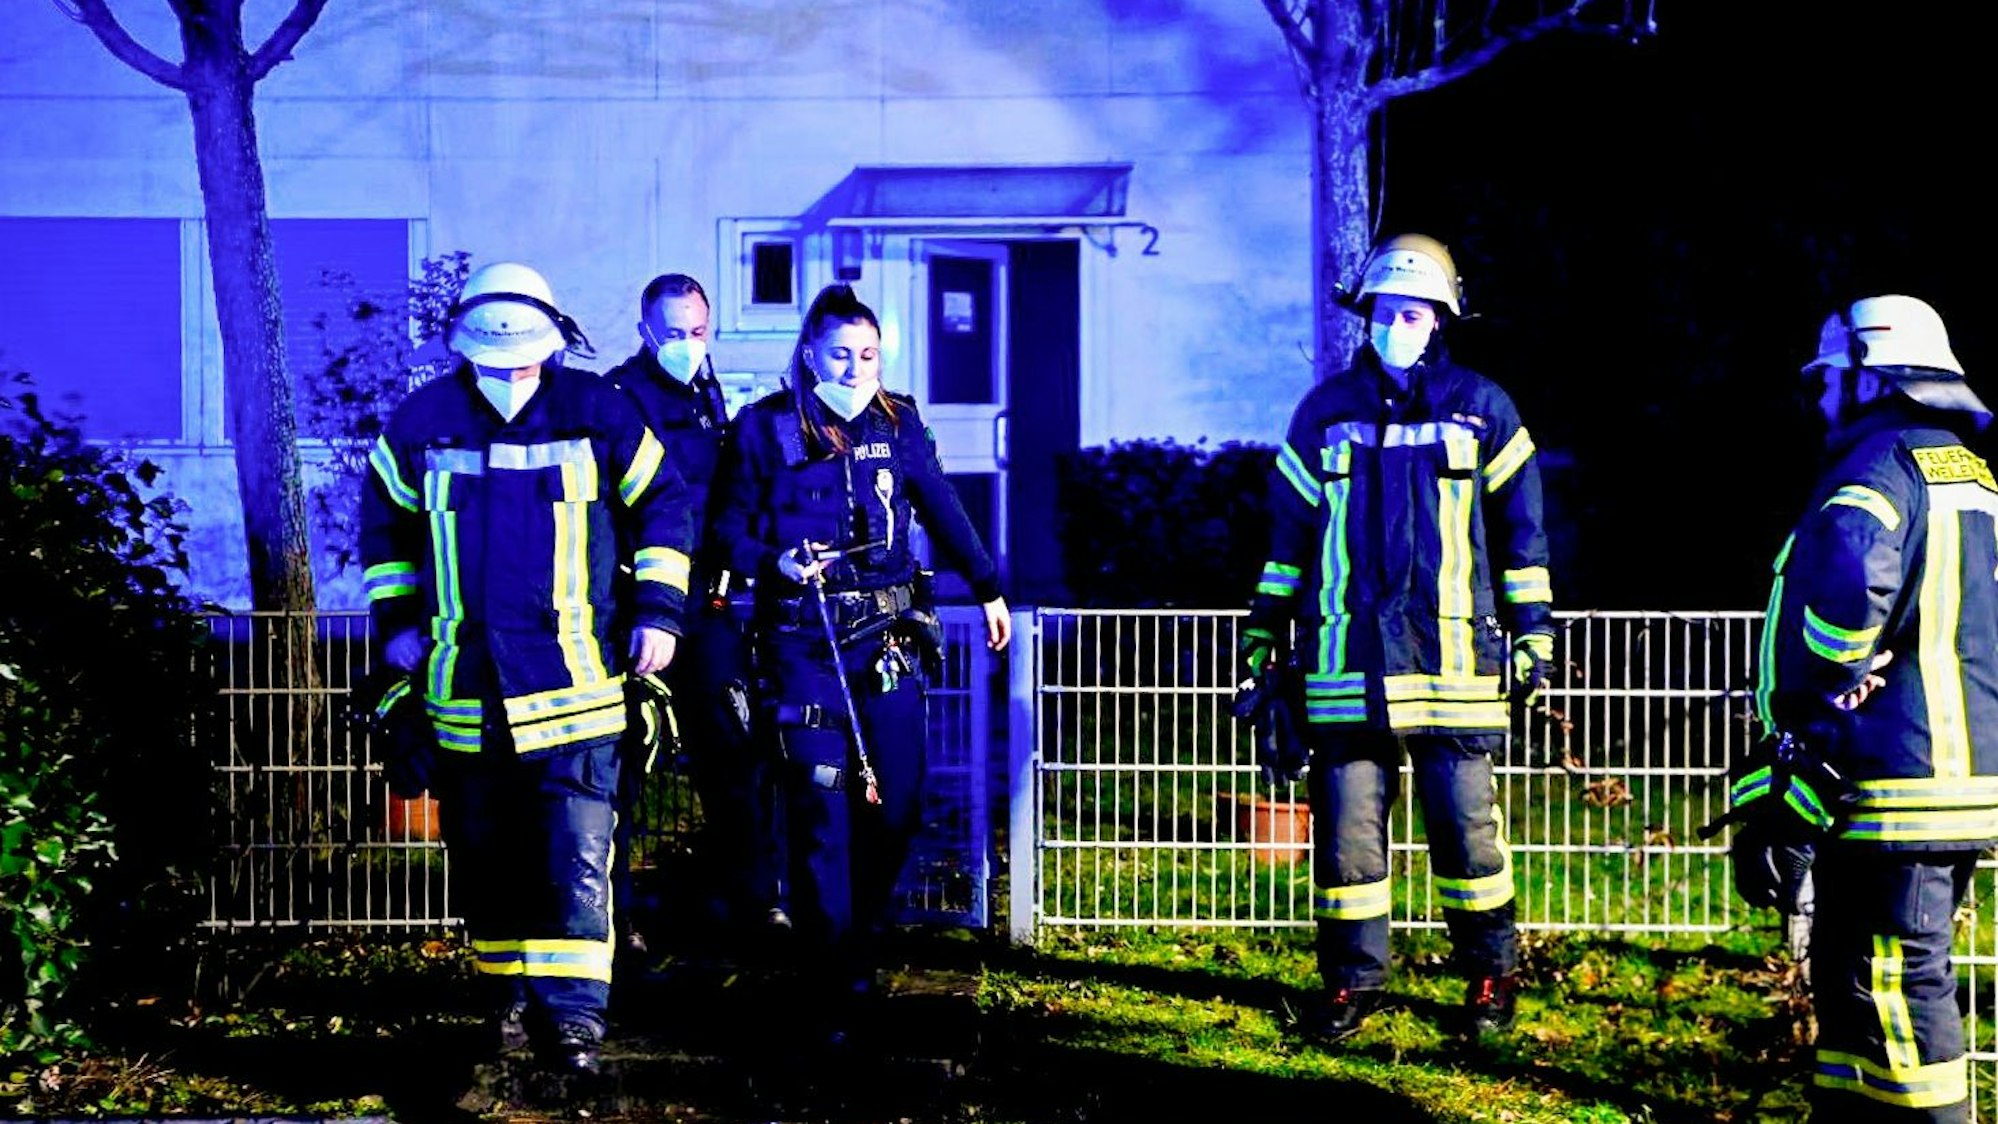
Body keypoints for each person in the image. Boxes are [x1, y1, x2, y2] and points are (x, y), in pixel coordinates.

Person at [360, 261, 694, 1078]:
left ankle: (574, 1021)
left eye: (524, 355)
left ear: (554, 340)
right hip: (464, 689)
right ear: (464, 345)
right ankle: (504, 1003)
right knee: (485, 854)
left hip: (574, 685)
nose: (512, 372)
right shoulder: (422, 421)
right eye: (494, 356)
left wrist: (659, 613)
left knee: (576, 852)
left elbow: (667, 505)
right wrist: (397, 623)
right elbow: (386, 530)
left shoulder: (599, 412)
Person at [1240, 233, 1555, 1043]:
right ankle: (1350, 985)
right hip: (1346, 665)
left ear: (1440, 318)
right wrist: (1262, 635)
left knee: (1467, 834)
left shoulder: (1485, 408)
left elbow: (1523, 536)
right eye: (1384, 313)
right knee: (1348, 842)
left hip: (1455, 665)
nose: (1396, 326)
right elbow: (1287, 539)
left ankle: (1489, 976)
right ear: (1367, 317)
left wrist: (1534, 636)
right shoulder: (1323, 413)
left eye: (1411, 313)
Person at [711, 282, 1011, 1046]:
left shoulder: (899, 421)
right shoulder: (763, 428)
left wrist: (988, 588)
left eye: (868, 354)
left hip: (885, 641)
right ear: (811, 352)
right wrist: (775, 560)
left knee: (900, 801)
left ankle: (860, 939)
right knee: (820, 808)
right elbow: (727, 535)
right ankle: (833, 973)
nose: (854, 368)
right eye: (840, 354)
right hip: (801, 643)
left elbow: (939, 503)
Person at [1730, 294, 1998, 1123]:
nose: (1817, 399)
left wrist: (1826, 674)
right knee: (1854, 973)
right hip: (1942, 770)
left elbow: (1849, 589)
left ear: (1869, 375)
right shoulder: (1967, 470)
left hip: (1894, 778)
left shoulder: (1873, 468)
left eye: (1828, 380)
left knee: (1896, 981)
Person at [605, 272, 785, 957]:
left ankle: (754, 902)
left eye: (698, 331)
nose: (687, 344)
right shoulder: (619, 401)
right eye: (674, 332)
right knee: (622, 766)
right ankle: (617, 923)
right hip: (638, 610)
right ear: (646, 330)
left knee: (735, 752)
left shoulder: (709, 398)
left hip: (706, 604)